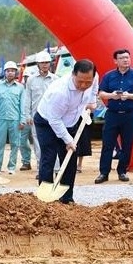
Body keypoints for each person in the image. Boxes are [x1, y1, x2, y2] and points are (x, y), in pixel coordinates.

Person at [34, 59, 97, 204]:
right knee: (49, 157)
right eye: (80, 81)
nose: (83, 85)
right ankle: (45, 199)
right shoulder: (60, 92)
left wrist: (92, 101)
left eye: (87, 82)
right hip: (47, 123)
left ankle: (67, 198)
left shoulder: (92, 78)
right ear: (73, 74)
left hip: (71, 122)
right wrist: (68, 140)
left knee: (70, 158)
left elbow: (94, 87)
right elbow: (54, 120)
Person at [95, 49, 133, 184]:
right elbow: (101, 93)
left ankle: (122, 171)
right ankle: (103, 173)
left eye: (127, 57)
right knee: (107, 144)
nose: (125, 60)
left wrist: (129, 96)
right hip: (112, 115)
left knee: (127, 144)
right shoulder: (109, 76)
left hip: (130, 116)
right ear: (115, 61)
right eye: (122, 58)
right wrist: (112, 95)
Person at [22, 51, 59, 180]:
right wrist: (27, 115)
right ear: (38, 64)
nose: (45, 65)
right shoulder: (31, 80)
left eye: (47, 62)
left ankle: (56, 169)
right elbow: (27, 99)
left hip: (52, 116)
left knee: (55, 142)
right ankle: (41, 169)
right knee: (38, 144)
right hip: (36, 117)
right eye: (42, 63)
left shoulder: (55, 79)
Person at [0, 60, 26, 175]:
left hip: (15, 120)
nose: (10, 73)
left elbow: (23, 105)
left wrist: (22, 120)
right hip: (1, 119)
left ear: (16, 73)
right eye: (8, 71)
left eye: (13, 71)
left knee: (15, 144)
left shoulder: (20, 88)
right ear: (4, 72)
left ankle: (11, 167)